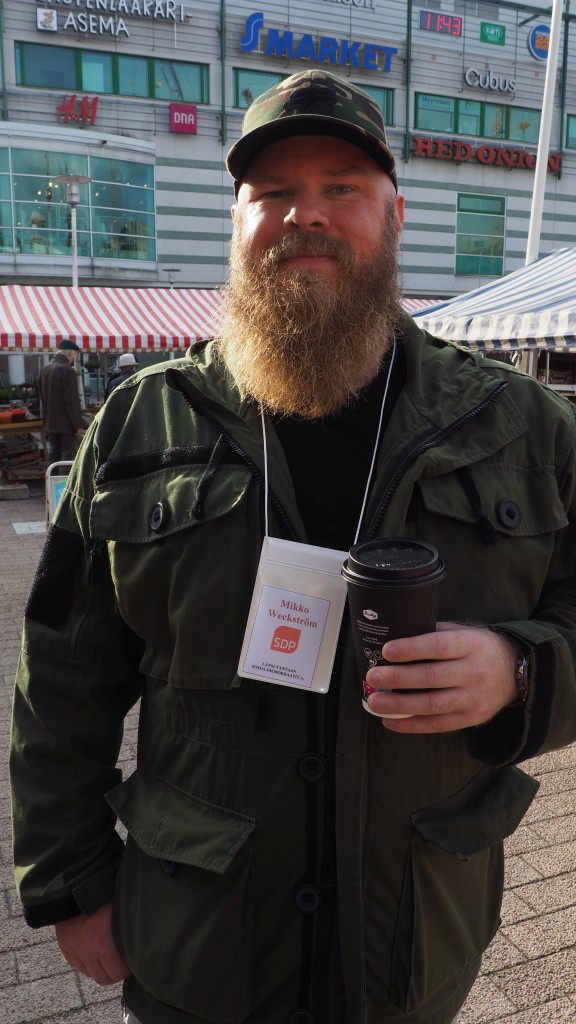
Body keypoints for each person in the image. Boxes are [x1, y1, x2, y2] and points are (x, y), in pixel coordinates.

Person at [10, 69, 576, 1024]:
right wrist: (68, 882)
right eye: (272, 192)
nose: (303, 214)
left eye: (341, 188)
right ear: (237, 222)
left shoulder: (521, 424)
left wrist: (522, 672)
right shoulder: (141, 422)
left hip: (412, 936)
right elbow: (62, 675)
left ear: (394, 216)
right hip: (198, 938)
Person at [38, 338, 84, 463]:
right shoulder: (67, 370)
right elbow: (72, 400)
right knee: (67, 457)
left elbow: (42, 396)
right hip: (65, 424)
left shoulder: (45, 368)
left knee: (54, 454)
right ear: (69, 354)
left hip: (50, 422)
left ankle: (51, 476)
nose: (73, 358)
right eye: (73, 355)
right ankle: (64, 477)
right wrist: (78, 425)